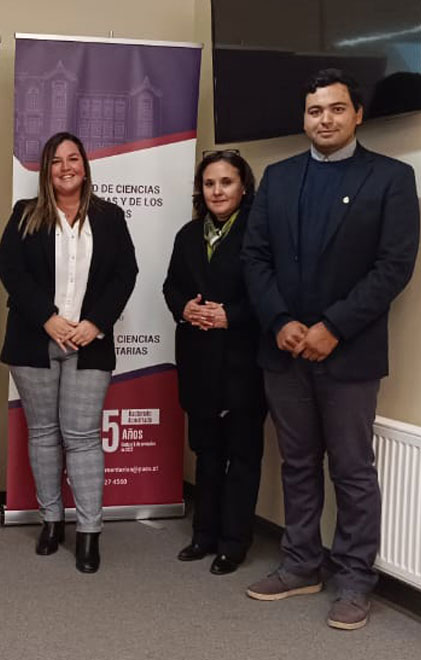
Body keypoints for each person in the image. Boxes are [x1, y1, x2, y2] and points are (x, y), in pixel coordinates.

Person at [241, 69, 420, 629]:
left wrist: (332, 327)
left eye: (337, 110)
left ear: (357, 115)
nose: (326, 120)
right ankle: (300, 565)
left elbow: (394, 266)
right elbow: (256, 257)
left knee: (352, 470)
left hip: (350, 354)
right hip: (284, 350)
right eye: (316, 111)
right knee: (296, 464)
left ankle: (354, 580)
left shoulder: (391, 178)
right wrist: (280, 322)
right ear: (304, 118)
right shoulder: (278, 176)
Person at [0, 132, 137, 573]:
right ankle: (52, 522)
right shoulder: (25, 215)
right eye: (55, 160)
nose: (65, 167)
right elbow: (11, 271)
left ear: (85, 165)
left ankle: (89, 532)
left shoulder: (110, 217)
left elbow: (125, 274)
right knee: (42, 433)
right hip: (35, 341)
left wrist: (95, 323)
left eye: (72, 158)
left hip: (89, 343)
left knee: (81, 438)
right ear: (45, 169)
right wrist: (48, 317)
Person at [163, 150, 265, 576]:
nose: (217, 191)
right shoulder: (188, 235)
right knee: (205, 451)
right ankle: (203, 534)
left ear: (243, 187)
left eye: (226, 182)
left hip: (243, 361)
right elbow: (171, 285)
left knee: (241, 454)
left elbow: (272, 293)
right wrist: (184, 308)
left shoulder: (261, 233)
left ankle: (234, 541)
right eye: (209, 184)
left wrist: (231, 315)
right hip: (198, 359)